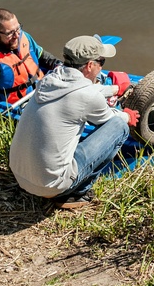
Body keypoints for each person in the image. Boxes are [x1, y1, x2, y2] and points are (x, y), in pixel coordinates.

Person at [9, 35, 140, 209]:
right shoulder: (88, 96)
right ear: (90, 65)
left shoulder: (49, 80)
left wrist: (114, 89)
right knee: (120, 127)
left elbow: (79, 91)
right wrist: (128, 116)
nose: (101, 66)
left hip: (19, 175)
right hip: (51, 186)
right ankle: (77, 193)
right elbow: (111, 119)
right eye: (101, 61)